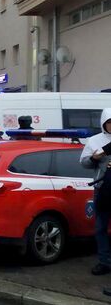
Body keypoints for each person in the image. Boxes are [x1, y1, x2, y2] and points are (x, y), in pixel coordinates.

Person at [80, 108, 111, 277]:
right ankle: (104, 262)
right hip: (102, 190)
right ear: (104, 123)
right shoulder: (94, 141)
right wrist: (94, 158)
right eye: (109, 123)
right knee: (100, 227)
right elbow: (84, 162)